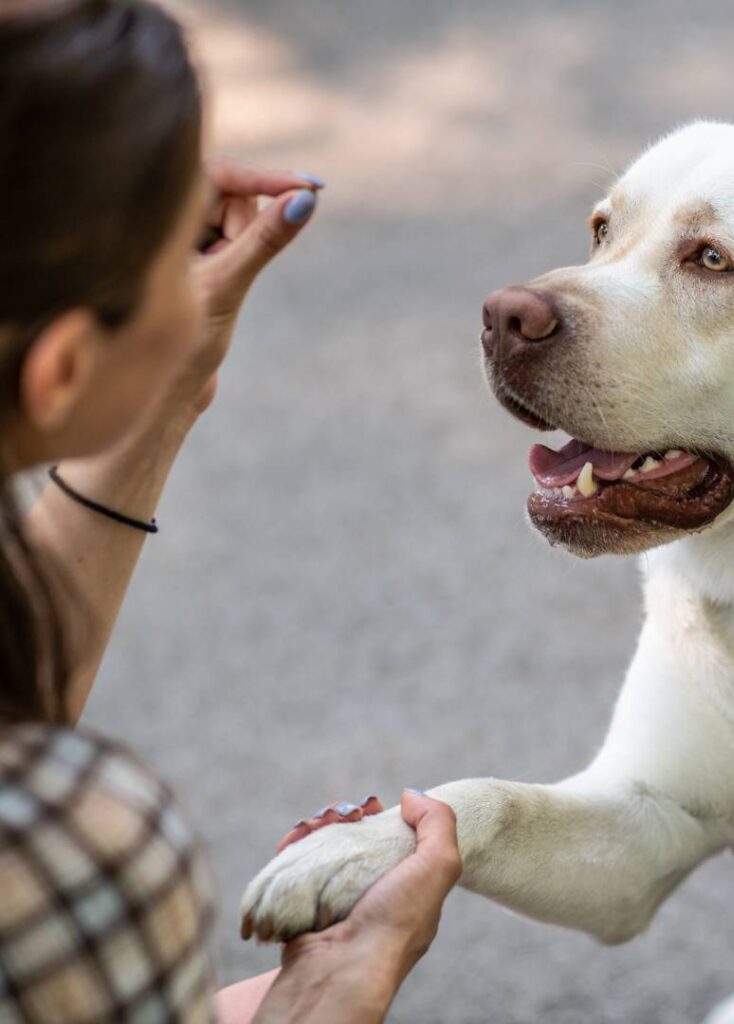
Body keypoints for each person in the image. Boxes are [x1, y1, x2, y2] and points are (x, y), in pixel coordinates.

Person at [0, 1, 462, 1021]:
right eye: (173, 246)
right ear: (63, 366)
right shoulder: (72, 848)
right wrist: (330, 997)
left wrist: (161, 395)